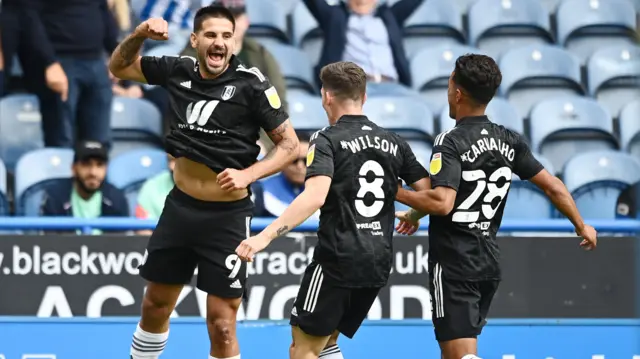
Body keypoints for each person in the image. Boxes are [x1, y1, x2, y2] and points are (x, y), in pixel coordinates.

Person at [108, 5, 300, 359]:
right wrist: (138, 35)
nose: (219, 42)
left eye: (227, 36)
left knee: (222, 324)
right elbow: (117, 67)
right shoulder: (177, 70)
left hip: (227, 218)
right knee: (155, 304)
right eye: (211, 35)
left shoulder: (252, 85)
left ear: (234, 42)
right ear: (195, 40)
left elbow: (290, 144)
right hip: (180, 208)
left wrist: (249, 173)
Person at [393, 54, 599, 359]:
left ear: (458, 92)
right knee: (457, 352)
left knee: (461, 355)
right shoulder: (509, 140)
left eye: (450, 83)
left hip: (454, 262)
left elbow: (443, 201)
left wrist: (395, 191)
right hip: (487, 262)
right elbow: (553, 186)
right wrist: (582, 225)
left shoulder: (450, 141)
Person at [235, 61, 429, 359]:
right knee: (325, 343)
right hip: (378, 261)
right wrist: (413, 215)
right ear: (364, 98)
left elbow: (314, 197)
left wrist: (265, 237)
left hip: (337, 259)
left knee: (302, 350)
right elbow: (429, 193)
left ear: (326, 97)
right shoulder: (395, 142)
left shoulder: (325, 139)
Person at [40, 141, 129, 232]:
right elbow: (49, 242)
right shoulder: (55, 197)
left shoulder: (117, 199)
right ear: (73, 168)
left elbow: (121, 243)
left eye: (99, 165)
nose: (93, 172)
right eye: (86, 164)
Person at [261, 133, 319, 219]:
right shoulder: (262, 191)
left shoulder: (329, 189)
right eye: (294, 160)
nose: (300, 166)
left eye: (306, 160)